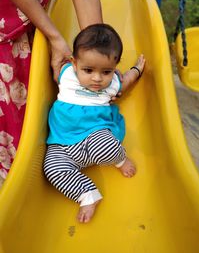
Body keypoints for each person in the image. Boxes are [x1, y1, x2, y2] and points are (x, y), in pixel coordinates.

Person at [0, 0, 103, 187]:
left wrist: (97, 58)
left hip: (36, 16)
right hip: (7, 24)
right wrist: (55, 37)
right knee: (14, 137)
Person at [43, 23, 146, 223]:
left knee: (105, 147)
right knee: (52, 168)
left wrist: (137, 69)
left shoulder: (113, 84)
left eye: (106, 72)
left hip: (94, 135)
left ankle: (120, 160)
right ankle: (88, 194)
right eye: (88, 70)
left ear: (114, 68)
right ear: (74, 63)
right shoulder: (66, 74)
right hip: (62, 143)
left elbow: (126, 80)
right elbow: (50, 58)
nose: (97, 78)